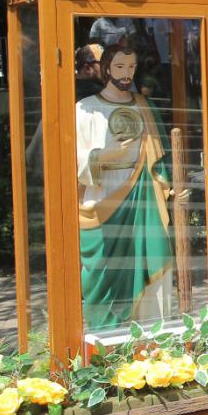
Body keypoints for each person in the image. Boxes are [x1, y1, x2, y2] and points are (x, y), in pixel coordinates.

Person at [76, 43, 174, 331]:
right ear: (106, 68)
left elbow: (161, 157)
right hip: (101, 198)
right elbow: (72, 160)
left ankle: (152, 338)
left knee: (150, 262)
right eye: (119, 67)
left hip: (144, 200)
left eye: (131, 67)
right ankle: (103, 338)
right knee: (102, 273)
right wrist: (107, 156)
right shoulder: (86, 109)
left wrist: (169, 186)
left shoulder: (144, 106)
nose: (126, 73)